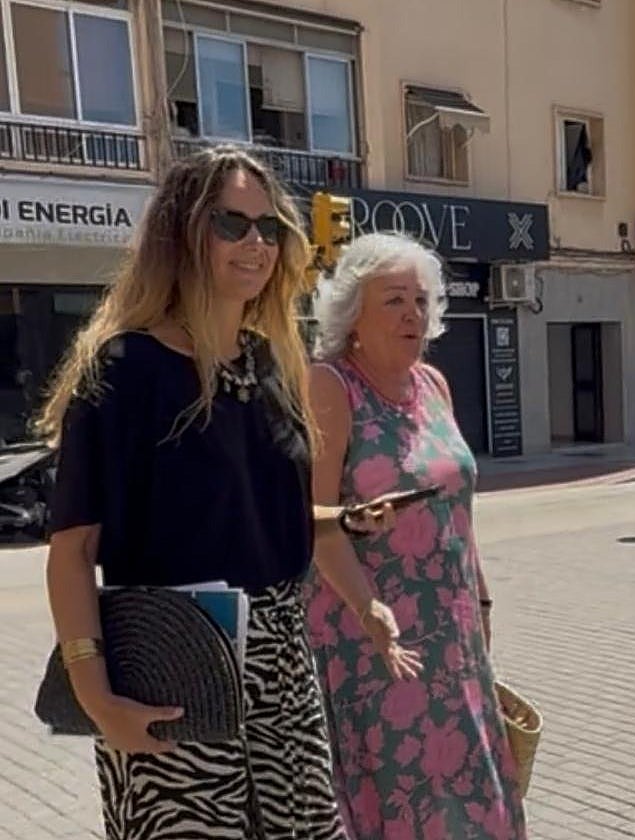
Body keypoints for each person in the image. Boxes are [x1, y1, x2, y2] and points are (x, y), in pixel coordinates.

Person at [38, 146, 416, 840]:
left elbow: (244, 507)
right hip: (176, 654)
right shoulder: (124, 371)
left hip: (280, 655)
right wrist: (95, 695)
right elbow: (72, 551)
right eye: (231, 224)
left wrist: (340, 520)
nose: (256, 244)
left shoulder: (265, 361)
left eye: (268, 228)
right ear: (183, 232)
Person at [304, 232, 526, 840]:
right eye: (394, 300)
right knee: (400, 792)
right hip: (370, 638)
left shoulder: (433, 385)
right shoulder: (331, 386)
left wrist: (479, 601)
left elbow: (460, 510)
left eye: (422, 300)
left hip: (449, 630)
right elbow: (314, 519)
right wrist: (369, 607)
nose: (414, 314)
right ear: (353, 315)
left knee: (464, 792)